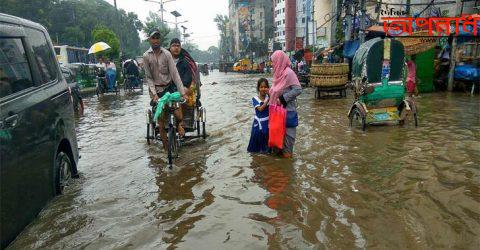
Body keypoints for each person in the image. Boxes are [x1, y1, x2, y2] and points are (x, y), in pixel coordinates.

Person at [143, 30, 188, 150]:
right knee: (161, 123)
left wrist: (183, 93)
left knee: (178, 113)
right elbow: (149, 77)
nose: (156, 40)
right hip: (156, 91)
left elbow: (175, 74)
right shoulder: (146, 56)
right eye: (153, 38)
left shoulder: (167, 54)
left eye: (158, 37)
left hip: (169, 88)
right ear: (150, 40)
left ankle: (179, 125)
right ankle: (166, 149)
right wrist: (154, 94)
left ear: (160, 40)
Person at [269, 50, 302, 158]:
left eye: (274, 61)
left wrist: (283, 99)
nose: (273, 64)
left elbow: (298, 89)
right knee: (277, 145)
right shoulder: (277, 75)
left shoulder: (289, 73)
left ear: (279, 60)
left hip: (288, 114)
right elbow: (274, 92)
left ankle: (288, 171)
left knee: (287, 147)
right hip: (276, 114)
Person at [169, 38, 198, 107]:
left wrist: (183, 87)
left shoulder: (185, 62)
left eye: (178, 46)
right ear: (170, 48)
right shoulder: (165, 61)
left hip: (182, 88)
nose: (176, 48)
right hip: (168, 88)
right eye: (174, 46)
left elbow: (188, 77)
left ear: (180, 48)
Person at [247, 78, 270, 153]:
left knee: (267, 144)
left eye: (265, 87)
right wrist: (267, 100)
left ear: (268, 88)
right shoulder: (255, 99)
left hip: (267, 124)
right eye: (261, 87)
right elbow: (260, 109)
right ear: (258, 88)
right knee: (256, 146)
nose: (263, 89)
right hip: (258, 126)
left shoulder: (269, 97)